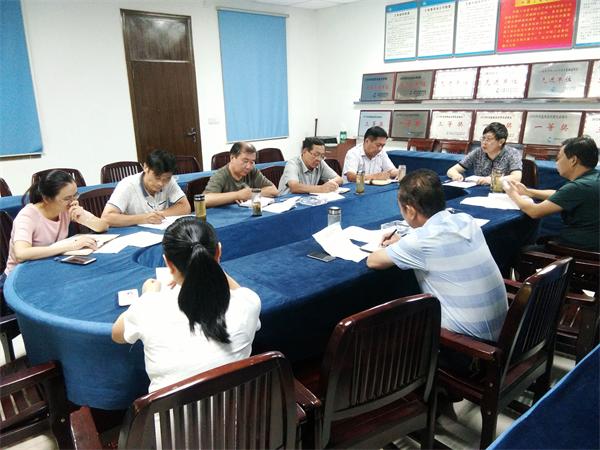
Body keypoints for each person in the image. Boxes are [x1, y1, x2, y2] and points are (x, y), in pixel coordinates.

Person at [111, 217, 261, 392]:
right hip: (236, 407)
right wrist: (209, 265)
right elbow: (239, 291)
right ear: (219, 252)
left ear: (168, 263)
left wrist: (148, 294)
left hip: (172, 411)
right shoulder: (248, 302)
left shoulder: (148, 308)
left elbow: (117, 335)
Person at [367, 169, 507, 343]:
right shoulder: (466, 220)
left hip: (469, 347)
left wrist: (404, 244)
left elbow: (373, 261)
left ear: (410, 210)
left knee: (389, 328)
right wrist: (404, 243)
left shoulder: (421, 241)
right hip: (506, 334)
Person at [2, 170, 109, 282]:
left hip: (48, 268)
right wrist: (71, 246)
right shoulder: (28, 216)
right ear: (47, 199)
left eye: (75, 195)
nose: (73, 201)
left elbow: (103, 226)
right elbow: (21, 253)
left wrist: (84, 218)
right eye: (67, 198)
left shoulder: (66, 208)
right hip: (19, 277)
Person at [504, 136, 599, 252]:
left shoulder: (579, 186)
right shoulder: (593, 178)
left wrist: (512, 194)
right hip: (592, 241)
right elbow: (560, 194)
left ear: (573, 160)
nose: (556, 162)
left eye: (558, 158)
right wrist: (528, 192)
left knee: (517, 250)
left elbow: (534, 211)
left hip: (583, 248)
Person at [101, 149, 191, 227]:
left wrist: (159, 215)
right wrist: (143, 218)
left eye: (166, 179)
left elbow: (185, 207)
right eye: (157, 177)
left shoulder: (169, 181)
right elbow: (107, 217)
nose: (161, 183)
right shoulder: (127, 185)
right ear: (146, 167)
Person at [203, 142, 278, 208]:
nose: (249, 166)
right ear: (232, 158)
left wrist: (252, 193)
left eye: (252, 162)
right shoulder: (221, 175)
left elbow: (273, 190)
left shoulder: (252, 171)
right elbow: (205, 200)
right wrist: (238, 195)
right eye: (245, 161)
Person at [447, 122, 522, 185]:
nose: (484, 142)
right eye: (483, 138)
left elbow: (516, 178)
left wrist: (492, 180)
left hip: (502, 193)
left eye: (488, 139)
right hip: (479, 190)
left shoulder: (512, 153)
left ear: (501, 142)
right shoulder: (478, 152)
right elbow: (451, 170)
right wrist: (455, 175)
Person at [278, 137, 343, 195]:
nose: (319, 159)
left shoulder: (321, 163)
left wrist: (330, 184)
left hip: (306, 199)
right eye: (316, 154)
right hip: (286, 200)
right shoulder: (292, 164)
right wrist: (321, 188)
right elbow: (294, 187)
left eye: (322, 156)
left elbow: (339, 179)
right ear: (304, 151)